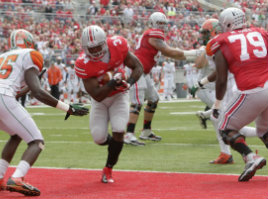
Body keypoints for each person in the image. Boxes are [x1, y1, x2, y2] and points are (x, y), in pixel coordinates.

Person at [0, 29, 89, 196]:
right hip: (1, 97)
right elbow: (37, 92)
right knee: (36, 141)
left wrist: (30, 86)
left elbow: (15, 91)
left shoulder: (1, 57)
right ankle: (17, 177)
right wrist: (68, 108)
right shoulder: (31, 54)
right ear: (29, 42)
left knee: (15, 135)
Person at [75, 25, 143, 183]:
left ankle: (108, 168)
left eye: (98, 46)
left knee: (119, 130)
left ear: (104, 42)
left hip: (119, 96)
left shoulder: (118, 46)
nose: (96, 51)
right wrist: (113, 81)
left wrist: (129, 83)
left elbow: (138, 67)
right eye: (91, 48)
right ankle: (115, 144)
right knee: (98, 138)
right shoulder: (83, 63)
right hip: (100, 101)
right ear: (85, 48)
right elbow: (97, 96)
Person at [124, 12, 202, 146]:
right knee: (137, 102)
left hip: (144, 72)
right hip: (136, 70)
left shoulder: (154, 36)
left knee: (153, 99)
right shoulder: (152, 34)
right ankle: (129, 134)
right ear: (153, 23)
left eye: (163, 24)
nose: (162, 27)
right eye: (159, 23)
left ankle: (146, 131)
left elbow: (169, 52)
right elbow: (169, 52)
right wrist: (193, 54)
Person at [208, 7, 267, 181]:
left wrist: (217, 103)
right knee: (264, 131)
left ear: (226, 23)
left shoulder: (221, 40)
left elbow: (221, 78)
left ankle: (251, 157)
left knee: (225, 128)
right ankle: (250, 159)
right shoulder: (261, 32)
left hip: (251, 89)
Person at [192, 18, 257, 164]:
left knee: (226, 125)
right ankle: (227, 154)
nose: (203, 35)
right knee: (219, 120)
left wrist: (202, 85)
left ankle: (248, 154)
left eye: (206, 32)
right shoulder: (232, 40)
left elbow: (220, 74)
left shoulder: (218, 43)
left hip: (231, 85)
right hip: (237, 83)